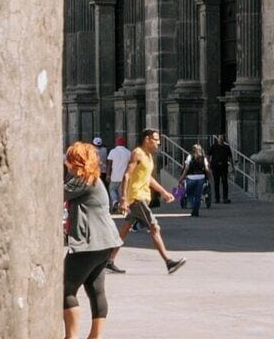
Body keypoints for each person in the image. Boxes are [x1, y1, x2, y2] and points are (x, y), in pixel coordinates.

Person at [63, 142, 120, 338]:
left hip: (89, 244)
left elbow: (57, 193)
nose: (66, 162)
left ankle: (70, 337)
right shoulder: (94, 178)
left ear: (76, 161)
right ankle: (94, 337)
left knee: (65, 289)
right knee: (96, 290)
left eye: (68, 158)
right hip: (105, 243)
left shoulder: (82, 179)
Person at [118, 133, 186, 272]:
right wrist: (123, 199)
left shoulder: (149, 157)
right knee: (154, 227)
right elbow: (126, 175)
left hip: (143, 197)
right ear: (147, 139)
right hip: (137, 198)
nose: (158, 143)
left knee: (124, 231)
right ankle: (168, 262)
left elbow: (148, 178)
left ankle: (108, 260)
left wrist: (163, 192)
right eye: (156, 140)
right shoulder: (137, 153)